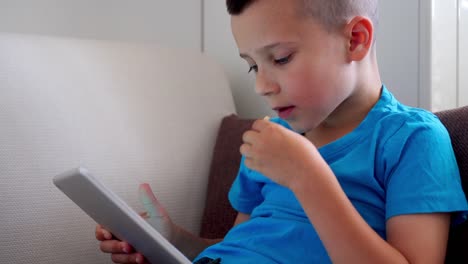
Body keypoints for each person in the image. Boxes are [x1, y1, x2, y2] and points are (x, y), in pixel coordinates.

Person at [95, 0, 468, 263]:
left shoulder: (412, 139)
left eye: (281, 58)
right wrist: (172, 241)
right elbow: (243, 244)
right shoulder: (269, 140)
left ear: (355, 39)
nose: (262, 87)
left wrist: (308, 176)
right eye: (252, 66)